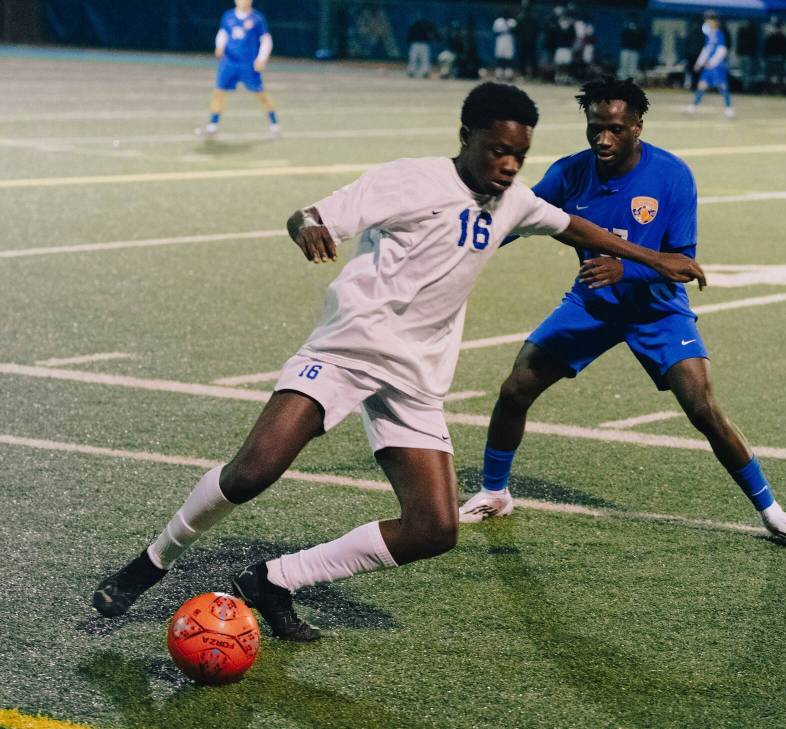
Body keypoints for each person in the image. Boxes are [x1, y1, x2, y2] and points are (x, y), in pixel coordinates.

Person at [91, 82, 706, 640]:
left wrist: (658, 261)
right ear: (467, 139)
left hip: (415, 377)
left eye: (519, 155)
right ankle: (151, 563)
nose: (510, 166)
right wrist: (305, 226)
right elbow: (309, 214)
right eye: (498, 151)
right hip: (347, 350)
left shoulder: (514, 200)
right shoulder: (408, 180)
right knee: (254, 472)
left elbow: (576, 227)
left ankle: (274, 580)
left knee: (434, 529)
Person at [459, 76, 786, 548]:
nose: (604, 139)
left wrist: (626, 271)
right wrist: (465, 242)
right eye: (596, 127)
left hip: (657, 311)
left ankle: (772, 510)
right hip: (591, 305)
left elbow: (680, 264)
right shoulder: (569, 173)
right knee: (516, 387)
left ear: (638, 126)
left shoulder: (672, 176)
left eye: (617, 129)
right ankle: (494, 491)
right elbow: (513, 220)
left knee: (703, 408)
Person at [202, 0, 278, 138]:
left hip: (248, 64)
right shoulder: (228, 16)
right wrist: (219, 46)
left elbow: (266, 40)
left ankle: (274, 123)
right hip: (229, 63)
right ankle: (212, 125)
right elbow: (223, 33)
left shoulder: (257, 18)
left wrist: (261, 58)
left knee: (260, 95)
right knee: (219, 92)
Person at [686, 11, 734, 118]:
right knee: (701, 85)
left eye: (709, 20)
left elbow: (722, 50)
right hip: (708, 66)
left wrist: (712, 62)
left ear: (715, 22)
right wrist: (699, 62)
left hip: (717, 66)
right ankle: (693, 107)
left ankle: (729, 108)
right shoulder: (708, 35)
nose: (707, 22)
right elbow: (706, 50)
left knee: (722, 87)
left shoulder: (719, 34)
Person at [618, 16, 646, 81]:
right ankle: (623, 81)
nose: (633, 24)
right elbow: (622, 38)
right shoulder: (626, 29)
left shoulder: (640, 31)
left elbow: (642, 41)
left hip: (634, 51)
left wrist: (639, 48)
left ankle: (632, 82)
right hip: (625, 50)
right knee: (624, 66)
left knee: (633, 67)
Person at [492, 9, 518, 80]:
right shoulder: (498, 21)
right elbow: (495, 32)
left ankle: (508, 75)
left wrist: (510, 28)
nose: (506, 15)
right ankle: (499, 75)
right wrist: (504, 30)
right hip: (500, 42)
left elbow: (516, 31)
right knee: (499, 59)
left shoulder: (512, 22)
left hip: (509, 42)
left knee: (509, 59)